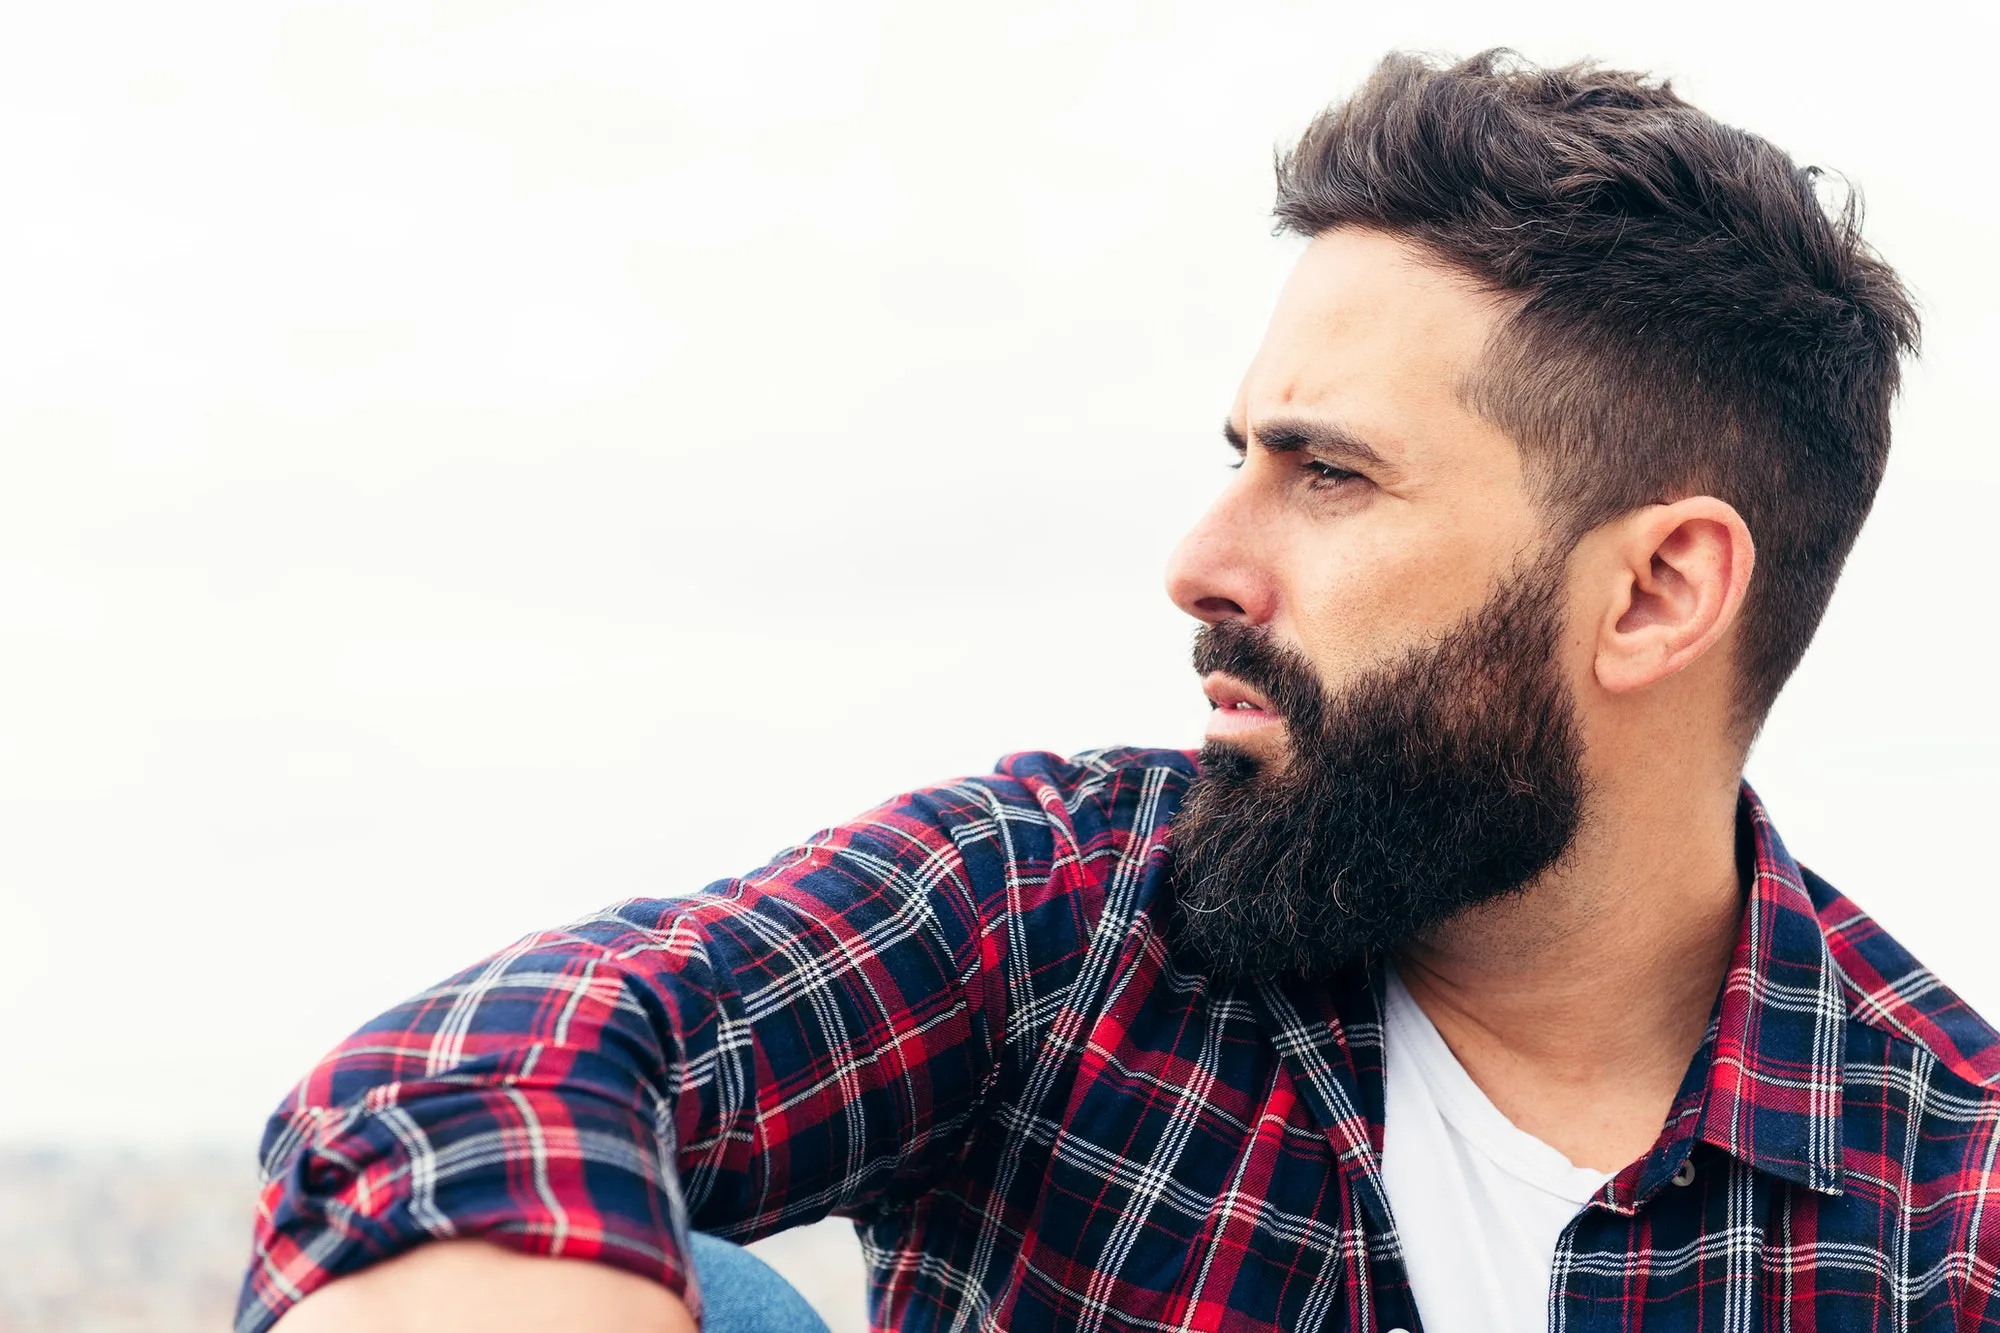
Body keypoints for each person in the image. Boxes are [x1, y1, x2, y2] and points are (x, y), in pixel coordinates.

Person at [238, 50, 2000, 1333]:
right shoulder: (1072, 904)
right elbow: (485, 1061)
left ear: (1658, 592)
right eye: (1242, 458)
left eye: (1330, 475)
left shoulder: (1950, 1210)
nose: (1200, 562)